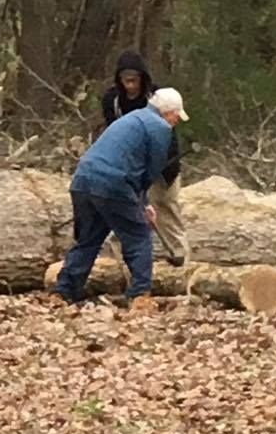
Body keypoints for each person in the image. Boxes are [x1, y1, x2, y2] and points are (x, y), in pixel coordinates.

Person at [53, 87, 189, 311]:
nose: (176, 121)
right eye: (177, 116)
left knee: (88, 239)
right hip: (113, 183)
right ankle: (140, 294)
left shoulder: (132, 119)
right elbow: (150, 170)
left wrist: (141, 201)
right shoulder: (159, 127)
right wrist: (143, 202)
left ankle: (63, 291)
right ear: (169, 112)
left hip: (82, 180)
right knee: (138, 236)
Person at [101, 50, 189, 267]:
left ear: (142, 77)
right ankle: (116, 263)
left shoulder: (159, 98)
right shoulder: (112, 101)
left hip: (163, 164)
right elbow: (113, 134)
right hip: (129, 164)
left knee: (166, 208)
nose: (130, 85)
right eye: (125, 80)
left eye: (134, 80)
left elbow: (168, 138)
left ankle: (180, 261)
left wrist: (162, 173)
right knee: (125, 210)